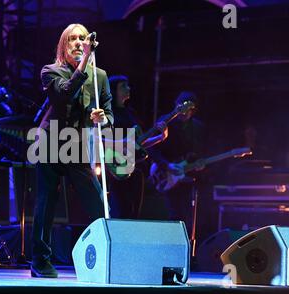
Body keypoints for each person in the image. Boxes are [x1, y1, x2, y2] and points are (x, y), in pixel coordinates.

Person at [31, 23, 113, 278]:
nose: (78, 43)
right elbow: (64, 95)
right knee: (47, 201)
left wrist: (104, 119)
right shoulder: (51, 71)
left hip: (77, 143)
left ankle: (108, 252)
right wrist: (85, 61)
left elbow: (110, 113)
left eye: (83, 39)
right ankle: (40, 260)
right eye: (73, 39)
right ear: (63, 46)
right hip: (51, 140)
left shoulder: (100, 75)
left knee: (96, 199)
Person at [107, 75, 168, 219]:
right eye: (123, 86)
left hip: (136, 167)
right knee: (120, 209)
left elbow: (139, 143)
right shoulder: (108, 115)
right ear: (114, 91)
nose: (128, 88)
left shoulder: (131, 113)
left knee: (134, 211)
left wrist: (160, 137)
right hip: (118, 166)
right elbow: (104, 140)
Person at [148, 91, 205, 230]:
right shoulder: (166, 121)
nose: (184, 112)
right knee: (171, 214)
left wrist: (199, 164)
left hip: (185, 177)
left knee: (187, 218)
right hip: (165, 175)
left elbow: (198, 152)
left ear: (193, 110)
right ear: (176, 106)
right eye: (181, 107)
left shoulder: (198, 127)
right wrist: (166, 165)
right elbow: (151, 148)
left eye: (188, 109)